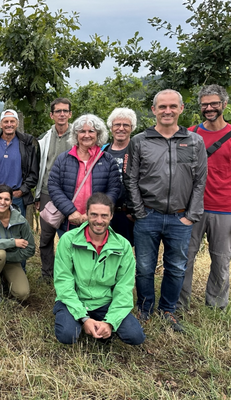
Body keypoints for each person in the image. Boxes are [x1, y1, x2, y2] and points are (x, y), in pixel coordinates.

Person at [124, 89, 207, 332]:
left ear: (181, 108)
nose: (167, 111)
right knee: (144, 267)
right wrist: (140, 212)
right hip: (148, 215)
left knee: (176, 266)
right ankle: (145, 308)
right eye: (162, 107)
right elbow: (131, 179)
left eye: (172, 106)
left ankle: (168, 311)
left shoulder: (194, 141)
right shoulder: (140, 141)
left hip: (180, 217)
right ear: (154, 110)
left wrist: (190, 216)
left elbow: (200, 180)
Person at [53, 192, 145, 345]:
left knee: (136, 336)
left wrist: (110, 322)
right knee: (67, 335)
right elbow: (64, 283)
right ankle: (81, 322)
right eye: (94, 215)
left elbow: (124, 288)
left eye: (104, 215)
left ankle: (102, 325)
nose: (99, 220)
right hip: (75, 300)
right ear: (87, 214)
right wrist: (84, 318)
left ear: (111, 216)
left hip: (105, 302)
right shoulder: (68, 240)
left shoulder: (123, 246)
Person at [178, 84, 231, 311]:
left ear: (224, 105)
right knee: (184, 259)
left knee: (220, 260)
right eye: (205, 104)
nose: (209, 108)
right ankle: (179, 304)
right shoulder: (191, 135)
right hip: (193, 208)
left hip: (225, 208)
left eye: (214, 103)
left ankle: (216, 305)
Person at [48, 114, 120, 234]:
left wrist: (94, 214)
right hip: (69, 220)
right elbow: (53, 186)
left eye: (91, 131)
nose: (87, 135)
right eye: (82, 131)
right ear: (76, 135)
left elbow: (114, 189)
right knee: (69, 251)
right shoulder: (64, 159)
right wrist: (70, 211)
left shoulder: (108, 160)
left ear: (98, 134)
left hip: (98, 223)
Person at [34, 98, 73, 281]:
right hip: (48, 193)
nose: (62, 114)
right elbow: (42, 167)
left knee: (71, 237)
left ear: (70, 114)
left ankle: (69, 275)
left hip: (72, 194)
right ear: (52, 115)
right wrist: (38, 195)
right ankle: (47, 274)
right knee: (46, 238)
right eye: (58, 111)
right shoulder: (44, 139)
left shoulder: (78, 136)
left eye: (65, 111)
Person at [0, 109, 40, 218]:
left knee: (16, 232)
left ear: (17, 123)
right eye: (5, 122)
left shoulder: (27, 145)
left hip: (16, 198)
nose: (9, 125)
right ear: (0, 124)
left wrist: (21, 191)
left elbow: (33, 173)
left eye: (12, 121)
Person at [103, 108, 136, 245]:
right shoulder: (102, 150)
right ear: (111, 127)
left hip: (128, 213)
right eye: (117, 125)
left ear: (132, 128)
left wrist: (134, 210)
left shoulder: (137, 151)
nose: (121, 128)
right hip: (105, 213)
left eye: (125, 125)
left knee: (126, 253)